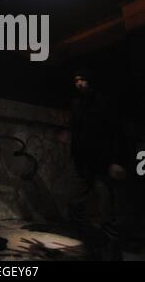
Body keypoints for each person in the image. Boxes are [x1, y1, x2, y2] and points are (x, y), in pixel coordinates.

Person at [68, 69, 127, 261]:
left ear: (91, 80)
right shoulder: (76, 104)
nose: (79, 84)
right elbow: (76, 131)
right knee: (74, 207)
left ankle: (112, 255)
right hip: (82, 164)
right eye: (76, 80)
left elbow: (118, 132)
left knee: (107, 215)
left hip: (103, 165)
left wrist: (117, 161)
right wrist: (74, 152)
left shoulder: (105, 102)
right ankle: (96, 243)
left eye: (83, 79)